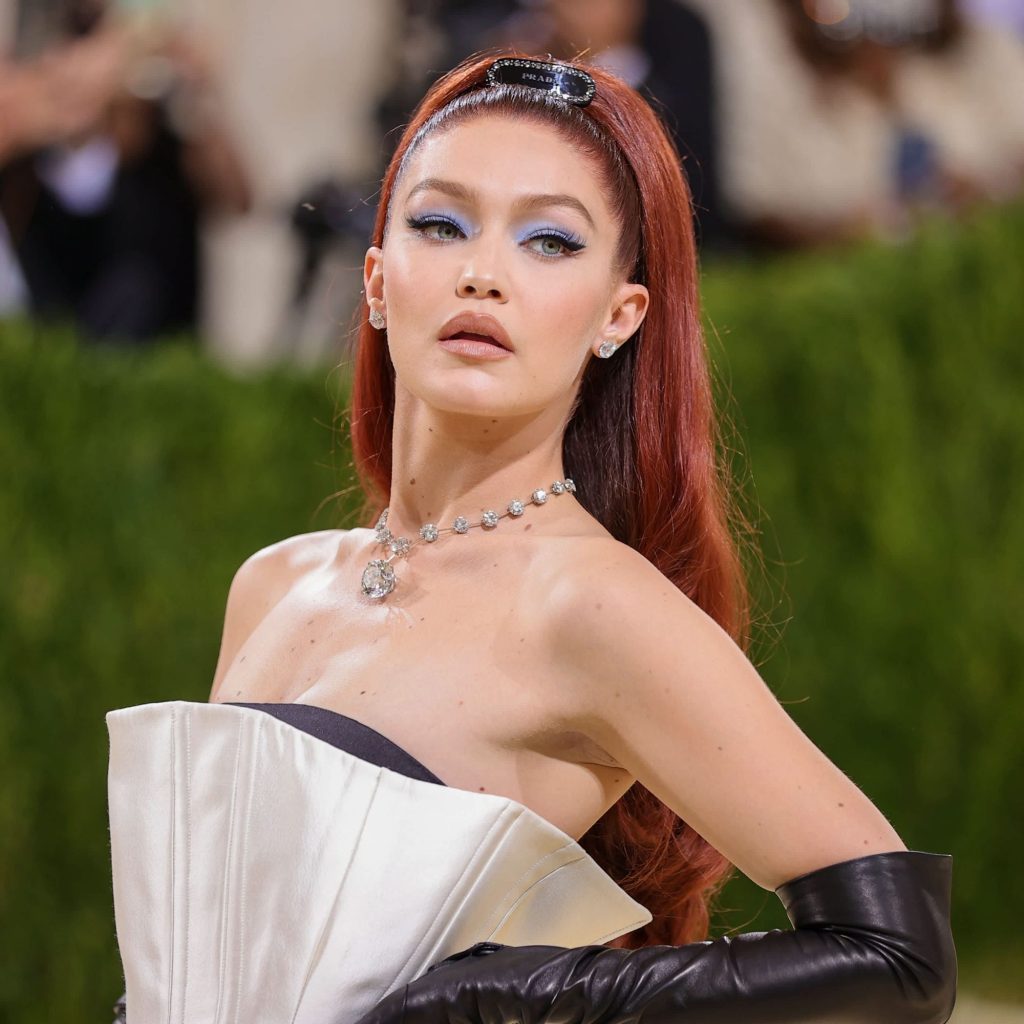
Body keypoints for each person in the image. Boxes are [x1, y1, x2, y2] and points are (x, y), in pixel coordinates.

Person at [104, 51, 956, 1024]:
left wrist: (509, 999)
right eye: (440, 224)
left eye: (549, 240)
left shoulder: (589, 605)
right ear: (376, 280)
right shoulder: (272, 584)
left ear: (618, 314)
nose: (482, 273)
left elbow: (901, 955)